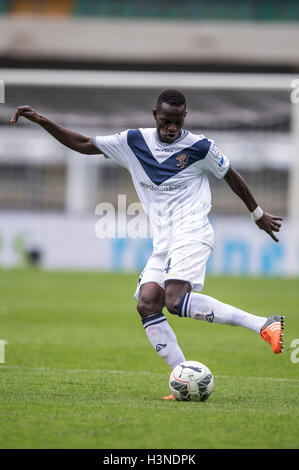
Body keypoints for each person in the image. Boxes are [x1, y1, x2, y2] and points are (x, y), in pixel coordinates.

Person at [11, 89, 284, 400]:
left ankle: (263, 324)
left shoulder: (200, 147)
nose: (171, 128)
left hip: (193, 231)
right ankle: (184, 377)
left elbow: (231, 175)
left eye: (177, 122)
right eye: (166, 121)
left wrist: (257, 213)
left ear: (185, 118)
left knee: (174, 300)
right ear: (155, 115)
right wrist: (42, 120)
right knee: (147, 303)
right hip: (164, 241)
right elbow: (84, 144)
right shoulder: (133, 142)